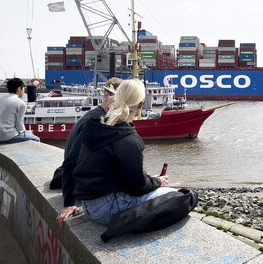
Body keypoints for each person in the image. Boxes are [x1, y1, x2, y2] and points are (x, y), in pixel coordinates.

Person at [71, 79, 177, 226]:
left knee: (150, 182)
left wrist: (149, 179)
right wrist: (158, 182)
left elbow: (109, 170)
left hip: (89, 206)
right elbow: (137, 188)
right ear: (141, 105)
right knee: (177, 196)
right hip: (107, 210)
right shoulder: (128, 139)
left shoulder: (94, 125)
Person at [55, 77, 122, 227]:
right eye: (120, 100)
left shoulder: (95, 114)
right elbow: (70, 162)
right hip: (81, 187)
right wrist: (69, 203)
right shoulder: (97, 121)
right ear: (106, 96)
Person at [0, 77, 40, 143]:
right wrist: (26, 132)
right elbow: (19, 125)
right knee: (36, 139)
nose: (24, 91)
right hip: (8, 136)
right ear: (19, 89)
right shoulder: (21, 103)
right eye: (23, 88)